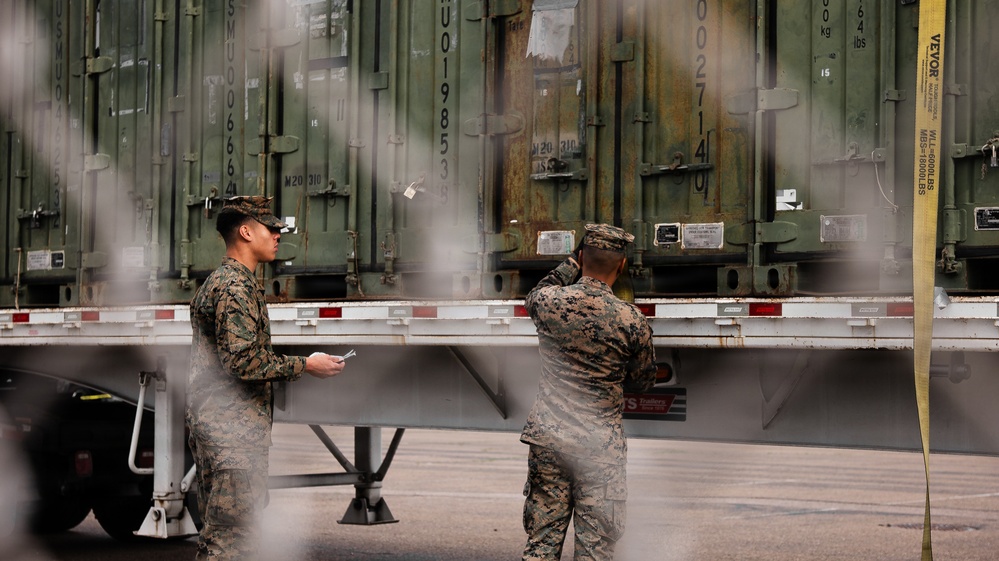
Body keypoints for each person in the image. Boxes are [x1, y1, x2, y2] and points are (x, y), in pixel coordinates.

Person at [186, 196, 345, 560]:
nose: (277, 233)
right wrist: (307, 365)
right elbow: (241, 361)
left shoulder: (225, 281)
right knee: (233, 542)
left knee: (223, 536)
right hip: (232, 436)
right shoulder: (234, 287)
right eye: (268, 227)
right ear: (245, 231)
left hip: (224, 430)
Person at [520, 223, 657, 561]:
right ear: (622, 267)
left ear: (580, 258)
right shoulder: (632, 320)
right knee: (596, 551)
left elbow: (538, 290)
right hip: (600, 448)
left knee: (540, 546)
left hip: (549, 440)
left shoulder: (549, 302)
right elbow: (642, 381)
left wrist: (570, 264)